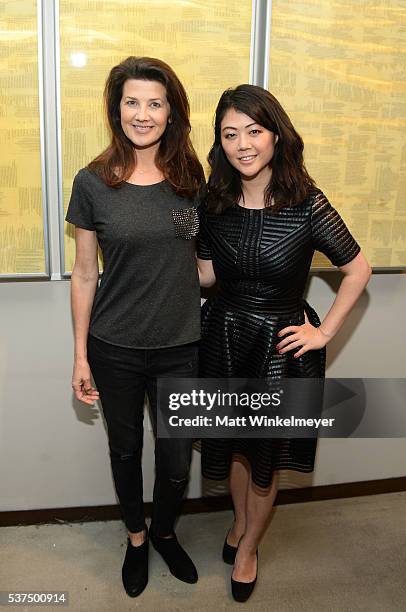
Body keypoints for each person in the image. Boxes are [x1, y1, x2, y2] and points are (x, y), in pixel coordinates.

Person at [197, 84, 371, 603]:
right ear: (220, 143)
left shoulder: (307, 203)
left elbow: (358, 269)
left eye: (254, 130)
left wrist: (323, 332)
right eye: (231, 134)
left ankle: (249, 545)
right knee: (232, 450)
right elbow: (205, 277)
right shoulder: (214, 201)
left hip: (279, 349)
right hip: (223, 337)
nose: (243, 144)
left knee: (265, 456)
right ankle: (238, 525)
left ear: (275, 135)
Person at [66, 56, 204, 598]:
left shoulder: (194, 181)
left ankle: (165, 530)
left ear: (171, 113)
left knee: (176, 459)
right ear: (115, 108)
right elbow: (83, 275)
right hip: (114, 348)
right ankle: (137, 538)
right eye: (131, 101)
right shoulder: (92, 182)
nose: (142, 114)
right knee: (124, 452)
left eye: (154, 102)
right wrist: (80, 355)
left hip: (180, 348)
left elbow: (209, 266)